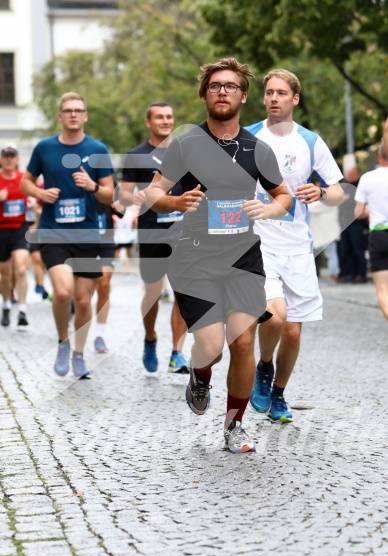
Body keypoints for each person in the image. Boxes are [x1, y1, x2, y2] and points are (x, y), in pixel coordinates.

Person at [146, 58, 292, 453]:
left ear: (243, 96)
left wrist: (270, 209)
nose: (222, 91)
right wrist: (175, 201)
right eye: (215, 86)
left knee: (243, 343)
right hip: (195, 259)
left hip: (243, 256)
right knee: (210, 344)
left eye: (230, 86)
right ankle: (199, 373)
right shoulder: (187, 144)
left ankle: (234, 425)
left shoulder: (256, 149)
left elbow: (284, 195)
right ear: (205, 94)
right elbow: (152, 195)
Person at [246, 68, 344, 423]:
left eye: (281, 93)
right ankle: (264, 367)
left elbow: (338, 192)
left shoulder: (311, 142)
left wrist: (320, 192)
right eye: (269, 92)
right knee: (274, 316)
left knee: (293, 328)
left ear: (294, 99)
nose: (273, 98)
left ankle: (279, 395)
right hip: (259, 242)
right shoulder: (249, 137)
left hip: (298, 247)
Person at [21, 92, 114, 378]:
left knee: (84, 301)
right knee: (63, 292)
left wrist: (91, 186)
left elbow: (110, 193)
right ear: (60, 116)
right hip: (53, 232)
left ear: (85, 116)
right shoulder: (44, 148)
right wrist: (40, 192)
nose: (73, 114)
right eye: (67, 110)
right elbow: (26, 182)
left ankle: (78, 354)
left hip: (86, 234)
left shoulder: (97, 148)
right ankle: (63, 342)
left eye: (78, 110)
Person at [119, 102, 189, 375]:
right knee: (153, 292)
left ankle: (177, 353)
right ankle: (150, 339)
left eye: (169, 116)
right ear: (148, 122)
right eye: (159, 117)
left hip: (183, 230)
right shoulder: (136, 155)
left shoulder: (185, 151)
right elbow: (123, 193)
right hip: (151, 231)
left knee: (183, 291)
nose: (165, 121)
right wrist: (133, 196)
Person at [354, 141, 388, 319]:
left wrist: (369, 210)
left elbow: (358, 213)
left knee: (383, 289)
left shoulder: (367, 178)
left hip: (379, 234)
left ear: (380, 156)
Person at [0, 144, 30, 328]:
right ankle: (5, 305)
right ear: (1, 160)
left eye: (12, 156)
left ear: (17, 159)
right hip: (1, 229)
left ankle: (23, 309)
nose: (9, 159)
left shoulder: (24, 179)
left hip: (21, 228)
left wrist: (35, 202)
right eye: (6, 156)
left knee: (20, 269)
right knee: (5, 274)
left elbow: (37, 197)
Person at [93, 200, 123, 353]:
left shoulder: (109, 183)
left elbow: (121, 210)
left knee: (103, 284)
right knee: (83, 291)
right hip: (83, 242)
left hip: (106, 241)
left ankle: (99, 334)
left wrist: (120, 204)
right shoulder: (76, 179)